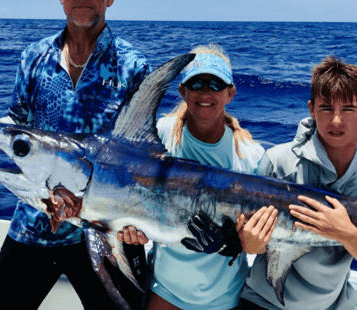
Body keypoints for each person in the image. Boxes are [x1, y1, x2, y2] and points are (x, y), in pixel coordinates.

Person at [0, 0, 151, 310]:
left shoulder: (133, 65)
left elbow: (143, 153)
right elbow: (18, 125)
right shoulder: (34, 57)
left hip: (105, 229)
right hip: (36, 221)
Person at [118, 44, 278, 310]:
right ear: (182, 91)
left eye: (215, 84)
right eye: (196, 84)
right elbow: (129, 194)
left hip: (224, 298)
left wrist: (241, 244)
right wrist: (130, 230)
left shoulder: (252, 157)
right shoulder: (159, 137)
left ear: (230, 93)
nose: (205, 92)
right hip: (166, 290)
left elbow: (262, 244)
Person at [240, 56, 357, 310]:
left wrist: (345, 233)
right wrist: (252, 244)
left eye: (348, 109)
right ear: (311, 109)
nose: (336, 120)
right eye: (326, 108)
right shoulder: (277, 160)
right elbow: (251, 246)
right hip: (263, 301)